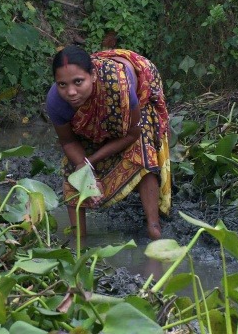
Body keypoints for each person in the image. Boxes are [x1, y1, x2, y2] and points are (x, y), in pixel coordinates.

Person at [45, 46, 171, 240]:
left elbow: (132, 133)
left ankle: (154, 229)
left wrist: (91, 161)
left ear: (93, 76)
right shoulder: (56, 102)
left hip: (139, 93)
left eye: (78, 82)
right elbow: (69, 142)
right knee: (72, 167)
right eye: (62, 85)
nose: (70, 92)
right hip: (104, 117)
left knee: (143, 150)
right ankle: (79, 238)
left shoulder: (119, 88)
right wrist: (87, 173)